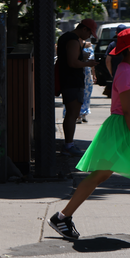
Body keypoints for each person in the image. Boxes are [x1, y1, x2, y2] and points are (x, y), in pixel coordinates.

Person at [48, 28, 130, 244]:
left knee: (122, 176)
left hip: (128, 127)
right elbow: (127, 110)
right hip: (127, 129)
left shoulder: (128, 69)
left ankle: (63, 217)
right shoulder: (126, 72)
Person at [57, 19, 99, 156]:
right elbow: (73, 63)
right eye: (90, 33)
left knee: (72, 114)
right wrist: (88, 63)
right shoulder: (73, 40)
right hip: (72, 81)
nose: (89, 37)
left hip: (69, 80)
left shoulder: (67, 38)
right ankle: (68, 145)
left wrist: (82, 57)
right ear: (84, 29)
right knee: (72, 114)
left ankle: (69, 144)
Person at [100, 24, 127, 98]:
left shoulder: (112, 45)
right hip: (129, 72)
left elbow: (108, 60)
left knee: (118, 94)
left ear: (116, 33)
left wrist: (111, 72)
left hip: (117, 72)